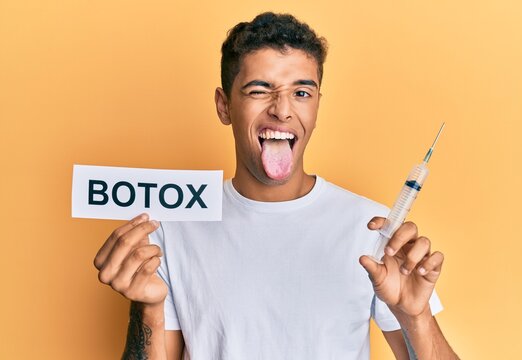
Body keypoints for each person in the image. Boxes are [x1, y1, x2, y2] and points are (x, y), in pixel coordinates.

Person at [94, 12, 459, 360]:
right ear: (224, 106)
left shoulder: (376, 230)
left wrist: (416, 316)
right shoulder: (173, 227)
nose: (282, 110)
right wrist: (150, 309)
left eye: (302, 93)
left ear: (317, 105)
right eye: (259, 90)